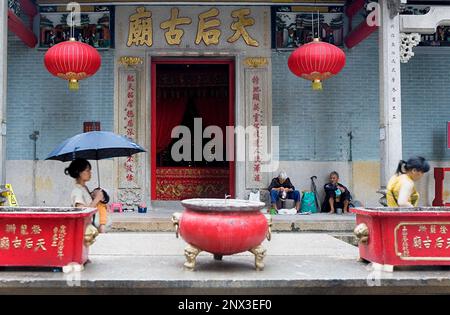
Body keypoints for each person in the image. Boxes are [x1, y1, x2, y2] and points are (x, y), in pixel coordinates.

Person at [65, 158, 107, 233]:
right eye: (87, 170)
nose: (90, 173)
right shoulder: (77, 191)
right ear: (79, 173)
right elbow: (82, 213)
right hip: (84, 230)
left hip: (90, 228)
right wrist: (97, 199)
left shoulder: (84, 188)